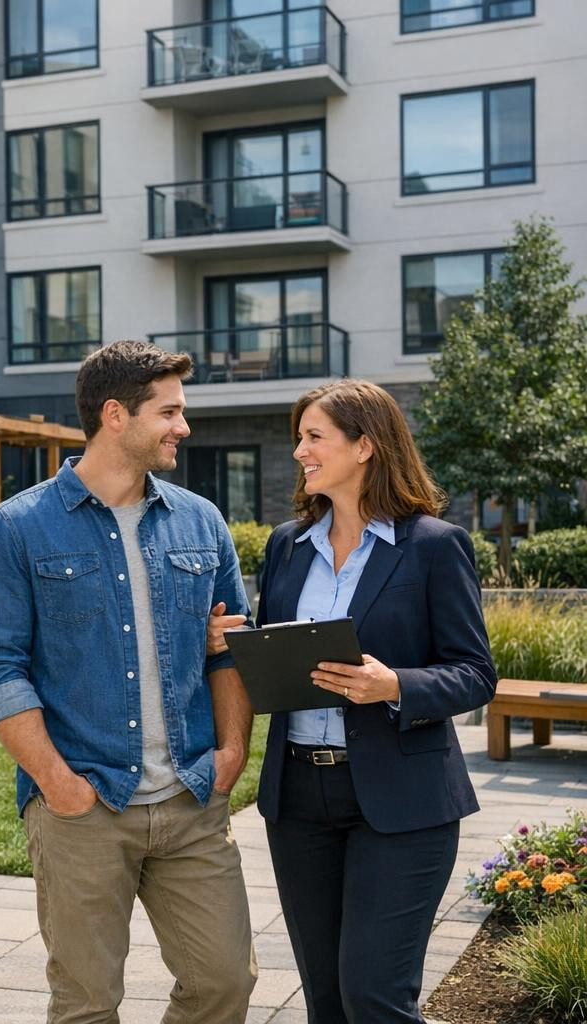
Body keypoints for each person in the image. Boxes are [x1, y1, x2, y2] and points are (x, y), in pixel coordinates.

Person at [0, 340, 258, 1024]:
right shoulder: (16, 529)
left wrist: (232, 754)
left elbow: (229, 650)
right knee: (87, 1003)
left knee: (225, 983)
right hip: (82, 809)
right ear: (116, 415)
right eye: (171, 411)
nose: (183, 427)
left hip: (190, 795)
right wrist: (60, 786)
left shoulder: (200, 521)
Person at [209, 379, 496, 1024]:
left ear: (366, 445)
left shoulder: (433, 546)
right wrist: (229, 642)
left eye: (315, 438)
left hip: (402, 801)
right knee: (328, 1000)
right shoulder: (288, 545)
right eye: (298, 439)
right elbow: (274, 655)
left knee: (376, 996)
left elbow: (476, 673)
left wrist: (394, 685)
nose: (300, 452)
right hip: (299, 803)